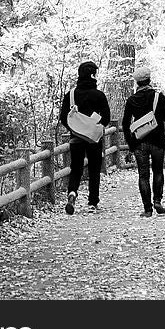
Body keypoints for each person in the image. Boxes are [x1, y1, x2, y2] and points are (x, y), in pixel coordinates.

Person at [59, 61, 111, 214]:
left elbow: (64, 117)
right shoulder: (99, 95)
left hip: (76, 138)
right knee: (94, 169)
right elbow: (106, 118)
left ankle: (72, 192)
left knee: (76, 168)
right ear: (93, 75)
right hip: (94, 139)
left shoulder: (71, 95)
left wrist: (76, 128)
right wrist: (94, 127)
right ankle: (92, 202)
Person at [122, 66, 165, 217]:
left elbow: (125, 124)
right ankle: (157, 200)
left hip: (139, 142)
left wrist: (131, 144)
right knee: (158, 171)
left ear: (137, 82)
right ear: (149, 80)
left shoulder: (131, 100)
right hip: (157, 141)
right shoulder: (158, 97)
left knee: (143, 175)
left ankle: (147, 209)